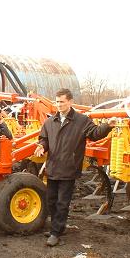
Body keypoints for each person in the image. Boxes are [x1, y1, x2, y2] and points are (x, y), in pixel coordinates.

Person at [34, 88, 116, 247]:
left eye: (62, 102)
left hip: (69, 168)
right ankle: (57, 227)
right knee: (50, 200)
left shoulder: (81, 121)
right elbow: (44, 139)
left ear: (70, 102)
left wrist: (107, 126)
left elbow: (95, 133)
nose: (59, 105)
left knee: (62, 203)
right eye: (57, 102)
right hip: (52, 167)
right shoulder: (50, 122)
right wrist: (42, 147)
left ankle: (56, 233)